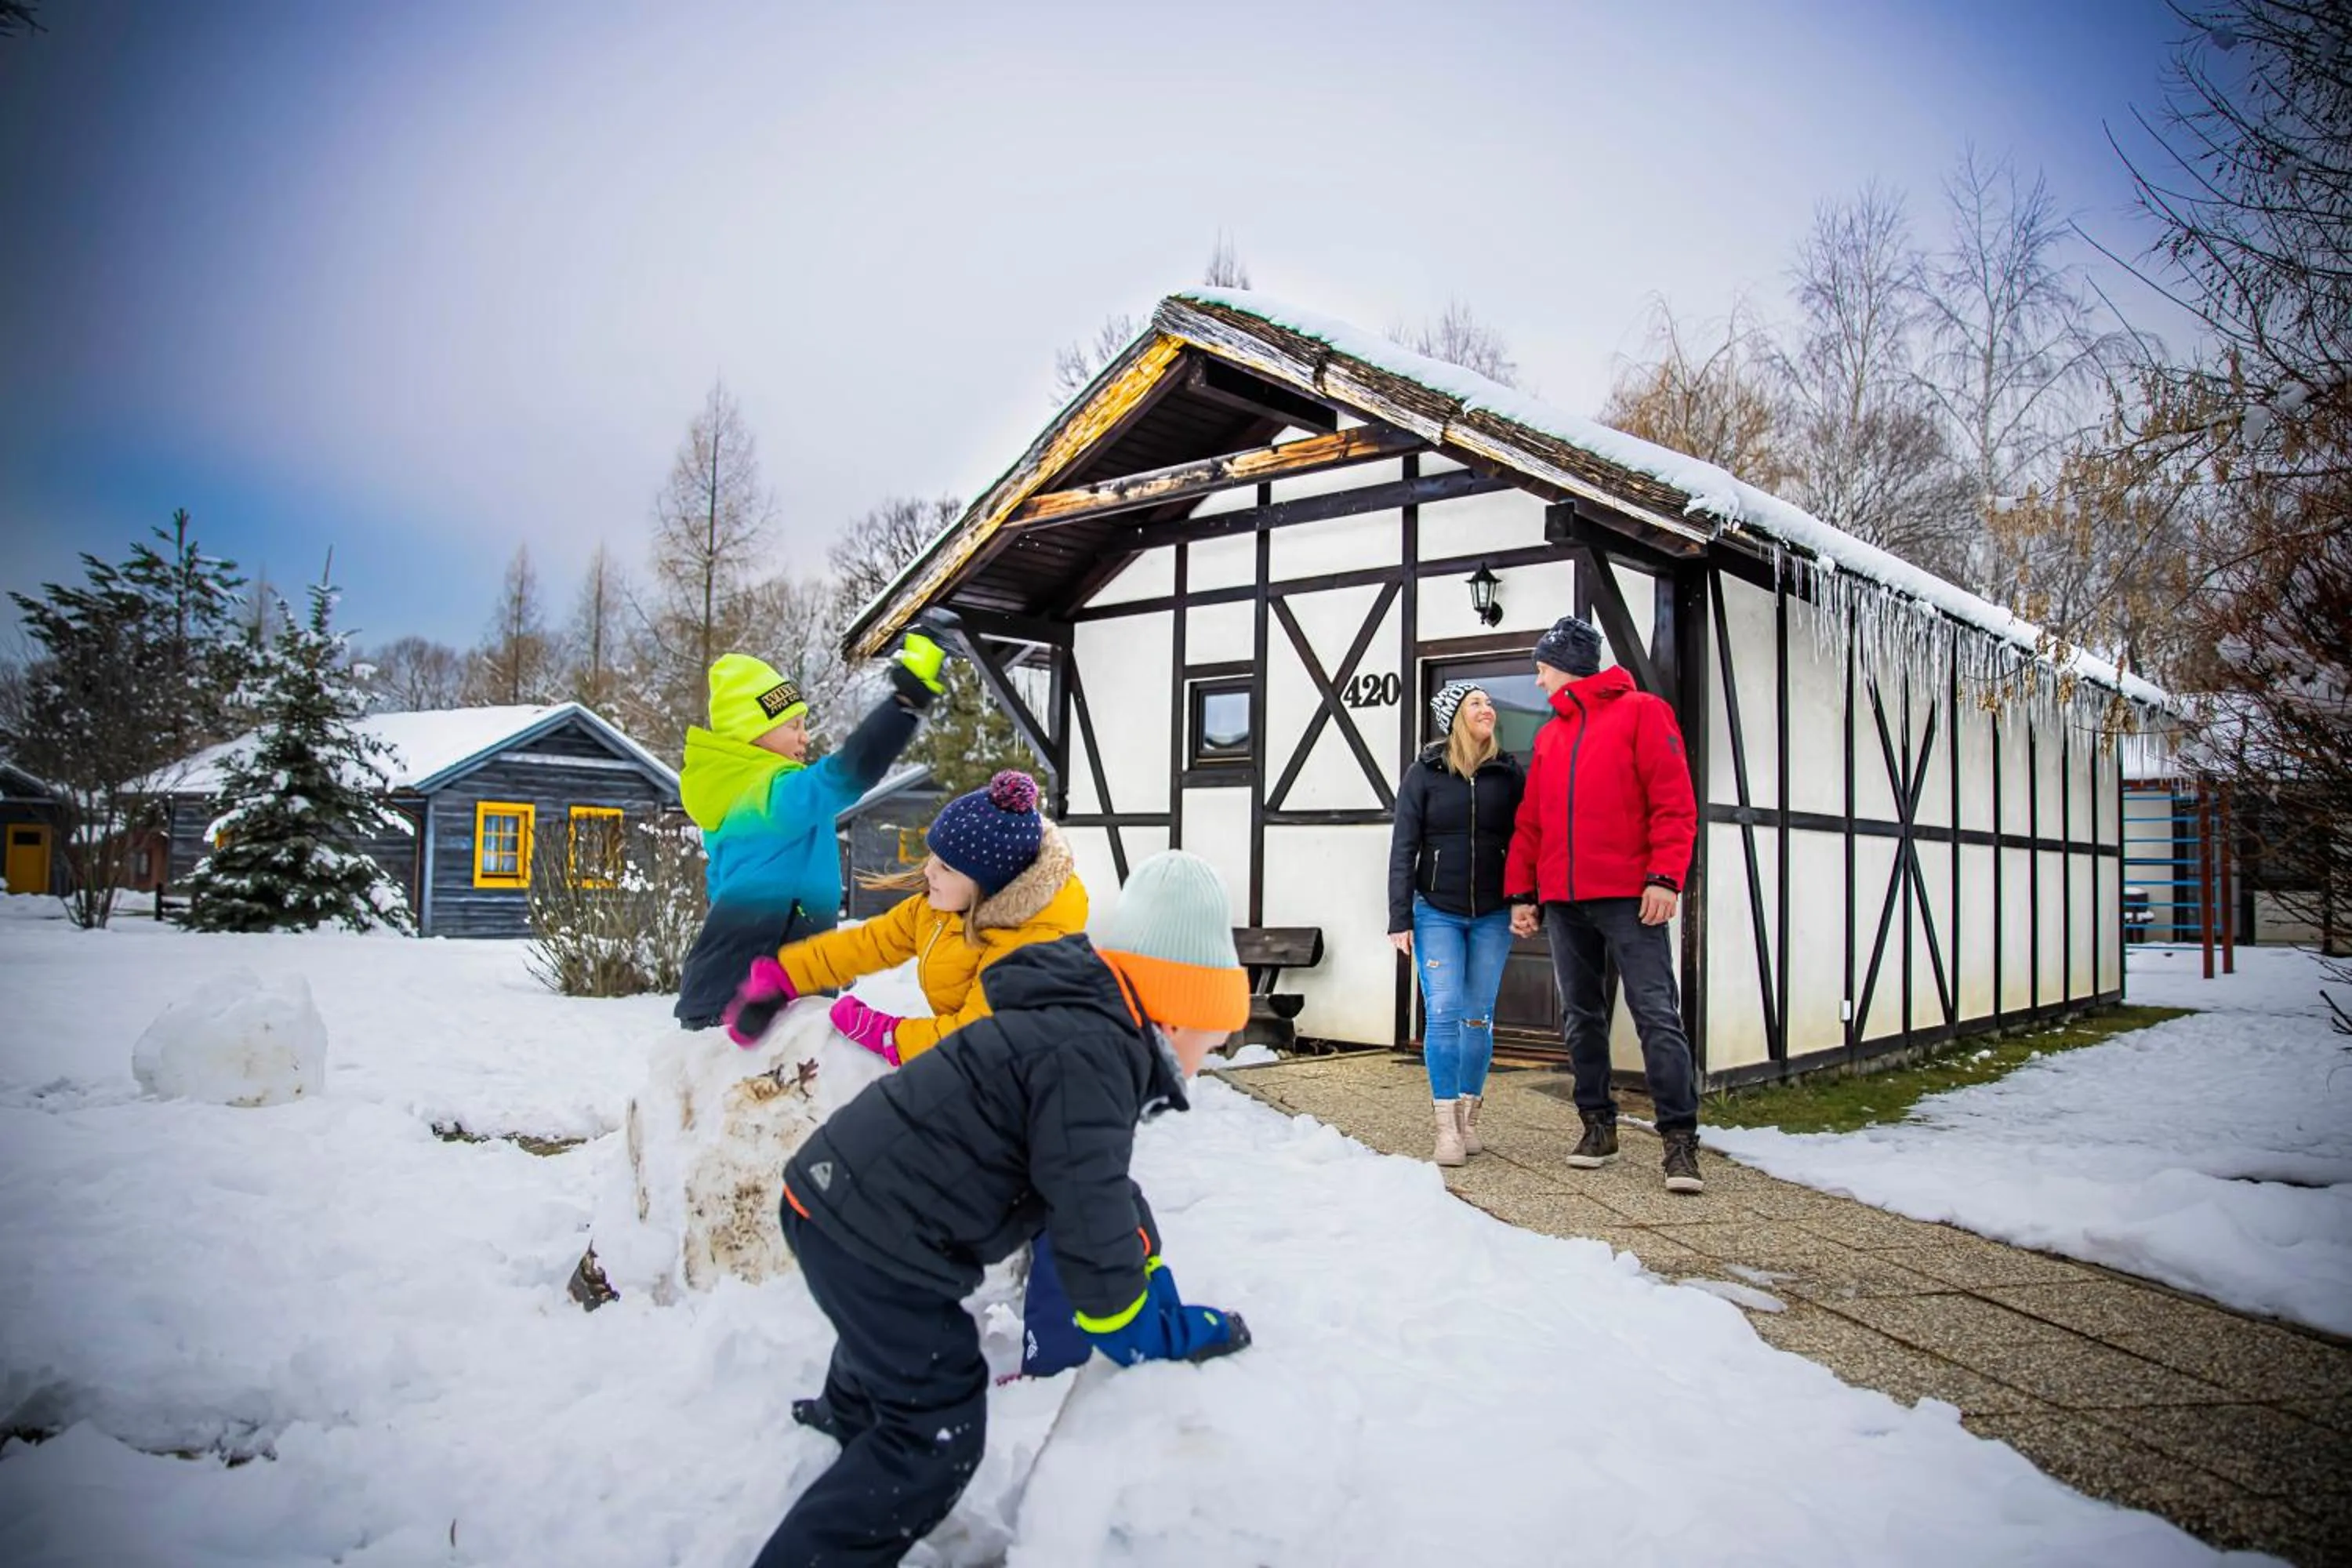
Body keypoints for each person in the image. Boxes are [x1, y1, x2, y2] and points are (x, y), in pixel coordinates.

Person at [753, 851, 1254, 1568]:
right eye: (1213, 1041)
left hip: (832, 1195)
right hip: (872, 1231)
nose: (1210, 1058)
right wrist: (1153, 1328)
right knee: (937, 1421)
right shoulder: (1093, 1056)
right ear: (1175, 1019)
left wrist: (1144, 1248)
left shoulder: (1075, 1031)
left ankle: (845, 1415)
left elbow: (1090, 1182)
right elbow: (1086, 1212)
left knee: (899, 1335)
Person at [1504, 614, 1704, 1195]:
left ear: (1565, 666)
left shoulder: (1642, 712)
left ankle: (1679, 1142)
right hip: (1565, 903)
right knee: (1580, 1017)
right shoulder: (1551, 736)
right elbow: (1532, 824)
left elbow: (1674, 803)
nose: (1538, 683)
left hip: (1630, 898)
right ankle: (1598, 1126)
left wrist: (1664, 877)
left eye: (1542, 671)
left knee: (1655, 1014)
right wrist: (1523, 894)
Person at [671, 634, 946, 1031]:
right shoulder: (772, 797)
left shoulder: (740, 799)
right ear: (752, 735)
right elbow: (846, 774)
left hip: (744, 989)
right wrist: (904, 705)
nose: (805, 736)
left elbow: (727, 889)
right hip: (747, 1002)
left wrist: (819, 945)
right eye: (793, 726)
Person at [724, 770, 1087, 1062]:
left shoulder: (1028, 945)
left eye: (946, 867)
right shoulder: (939, 909)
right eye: (933, 856)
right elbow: (870, 943)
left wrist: (885, 1033)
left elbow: (975, 1039)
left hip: (1039, 1078)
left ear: (988, 886)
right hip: (983, 1062)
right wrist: (786, 977)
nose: (929, 871)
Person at [1387, 681, 1526, 1167]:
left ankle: (1470, 1120)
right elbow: (1404, 845)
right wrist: (1399, 916)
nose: (1487, 709)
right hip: (1436, 910)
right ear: (1454, 717)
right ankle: (1446, 1129)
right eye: (1476, 704)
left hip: (1493, 912)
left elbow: (1527, 841)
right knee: (1444, 1011)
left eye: (1489, 702)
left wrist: (1526, 900)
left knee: (1478, 1015)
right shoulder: (1424, 773)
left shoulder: (1509, 774)